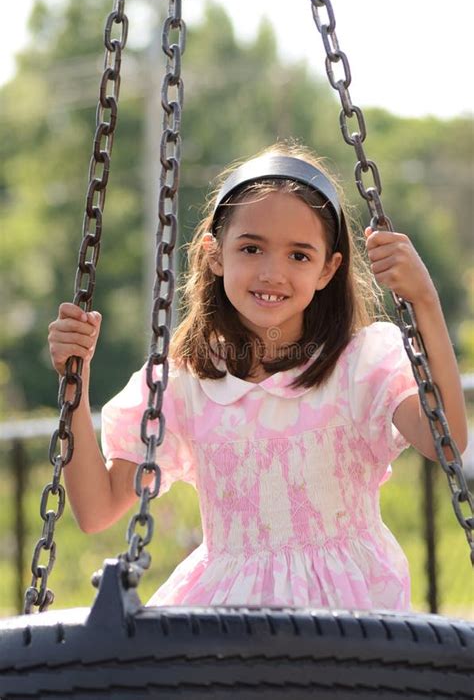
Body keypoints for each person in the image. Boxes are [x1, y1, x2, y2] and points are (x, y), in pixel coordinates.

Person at [48, 142, 467, 611]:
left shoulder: (358, 367)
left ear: (329, 269)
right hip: (230, 615)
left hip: (351, 613)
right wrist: (74, 382)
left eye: (299, 256)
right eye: (251, 248)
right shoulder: (184, 384)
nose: (272, 273)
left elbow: (445, 443)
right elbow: (96, 509)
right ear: (215, 254)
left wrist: (424, 302)